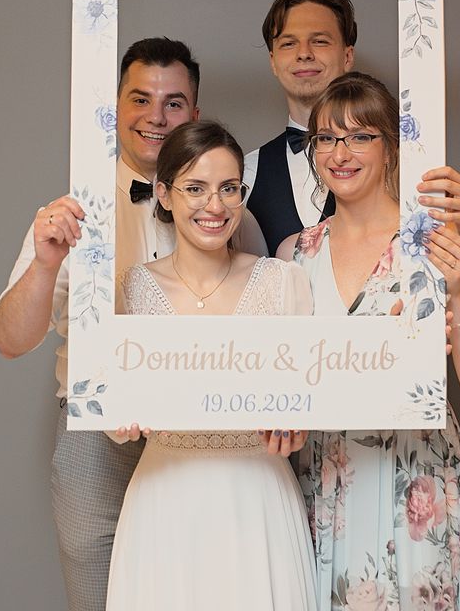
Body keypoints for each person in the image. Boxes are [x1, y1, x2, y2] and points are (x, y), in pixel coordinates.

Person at [0, 38, 267, 611]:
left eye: (173, 102)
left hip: (207, 440)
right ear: (114, 106)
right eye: (140, 99)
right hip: (97, 438)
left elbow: (266, 324)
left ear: (194, 112)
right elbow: (10, 340)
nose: (155, 117)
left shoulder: (231, 215)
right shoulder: (71, 215)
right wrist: (45, 263)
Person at [277, 73, 460, 610]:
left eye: (360, 136)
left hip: (416, 474)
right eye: (327, 138)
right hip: (327, 476)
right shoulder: (294, 255)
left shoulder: (438, 248)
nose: (341, 153)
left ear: (391, 147)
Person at [105, 120, 317, 610]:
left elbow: (306, 400)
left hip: (258, 500)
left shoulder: (284, 282)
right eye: (196, 188)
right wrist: (119, 419)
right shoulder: (130, 290)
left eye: (228, 188)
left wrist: (297, 426)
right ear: (164, 193)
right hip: (164, 503)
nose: (215, 205)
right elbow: (115, 415)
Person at [245, 0, 460, 283]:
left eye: (319, 41)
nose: (304, 53)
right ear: (273, 61)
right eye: (288, 43)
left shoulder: (402, 159)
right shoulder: (246, 172)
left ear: (347, 56)